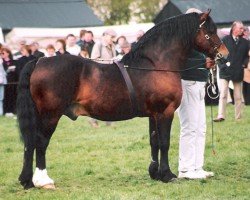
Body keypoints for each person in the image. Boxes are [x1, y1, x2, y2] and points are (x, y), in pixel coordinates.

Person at [177, 8, 215, 180]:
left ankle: (197, 166)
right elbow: (183, 58)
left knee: (200, 128)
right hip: (188, 82)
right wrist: (204, 60)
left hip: (199, 83)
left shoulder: (197, 35)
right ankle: (185, 169)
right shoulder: (183, 37)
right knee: (189, 127)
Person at [214, 21, 249, 122]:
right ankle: (221, 116)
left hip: (238, 72)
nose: (243, 30)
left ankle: (238, 118)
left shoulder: (245, 43)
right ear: (234, 29)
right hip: (225, 72)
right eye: (241, 28)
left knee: (238, 96)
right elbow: (219, 55)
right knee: (223, 94)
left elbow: (246, 57)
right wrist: (223, 66)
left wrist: (244, 64)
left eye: (243, 28)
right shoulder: (225, 40)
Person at [90, 28, 117, 127]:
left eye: (114, 37)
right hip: (100, 76)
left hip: (110, 75)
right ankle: (93, 120)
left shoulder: (113, 46)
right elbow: (94, 60)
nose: (113, 39)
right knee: (98, 99)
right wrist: (110, 61)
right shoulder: (98, 45)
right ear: (105, 35)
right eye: (112, 37)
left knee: (110, 99)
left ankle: (108, 120)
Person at [1, 47, 18, 115]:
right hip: (4, 81)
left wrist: (14, 70)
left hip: (12, 81)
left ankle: (12, 110)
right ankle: (5, 111)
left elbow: (17, 70)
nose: (2, 54)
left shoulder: (13, 61)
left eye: (3, 53)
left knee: (12, 96)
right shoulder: (1, 62)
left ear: (8, 53)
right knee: (5, 96)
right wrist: (8, 70)